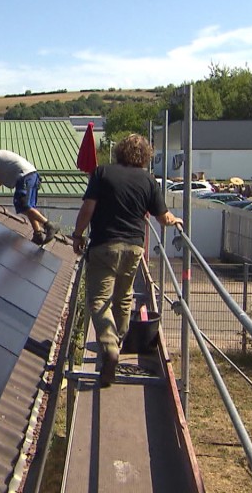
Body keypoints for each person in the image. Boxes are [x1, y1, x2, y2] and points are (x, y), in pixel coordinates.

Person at [70, 133, 183, 387]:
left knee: (99, 299)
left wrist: (78, 234)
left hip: (104, 246)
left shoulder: (102, 173)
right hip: (133, 248)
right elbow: (163, 217)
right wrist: (175, 220)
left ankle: (109, 347)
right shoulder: (148, 180)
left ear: (120, 151)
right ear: (145, 155)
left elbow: (88, 208)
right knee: (123, 298)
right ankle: (117, 344)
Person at [0, 142, 59, 245]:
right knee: (29, 207)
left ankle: (49, 225)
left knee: (22, 204)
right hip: (32, 175)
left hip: (24, 176)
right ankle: (37, 234)